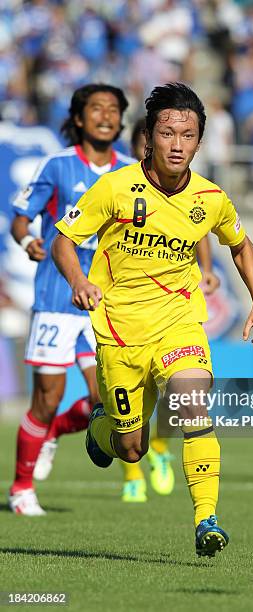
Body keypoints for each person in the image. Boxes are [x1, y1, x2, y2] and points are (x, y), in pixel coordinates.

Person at [52, 82, 253, 556]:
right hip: (119, 332)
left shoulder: (210, 197)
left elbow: (240, 244)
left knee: (193, 404)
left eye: (188, 135)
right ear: (149, 137)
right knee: (131, 447)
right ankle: (102, 432)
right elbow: (64, 240)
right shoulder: (114, 187)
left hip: (179, 324)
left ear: (199, 141)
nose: (178, 145)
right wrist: (78, 281)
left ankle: (206, 520)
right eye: (168, 133)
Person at [9, 83, 133, 515]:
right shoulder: (58, 165)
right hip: (58, 294)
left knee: (110, 401)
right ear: (79, 118)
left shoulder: (133, 172)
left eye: (113, 109)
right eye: (96, 108)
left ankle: (55, 433)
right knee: (46, 396)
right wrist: (27, 241)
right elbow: (21, 220)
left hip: (108, 301)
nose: (106, 116)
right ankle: (21, 489)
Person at [121, 118, 221, 503]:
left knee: (179, 395)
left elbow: (199, 228)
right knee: (122, 405)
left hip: (171, 311)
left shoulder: (190, 190)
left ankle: (159, 453)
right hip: (121, 308)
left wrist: (207, 270)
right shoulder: (119, 187)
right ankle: (132, 473)